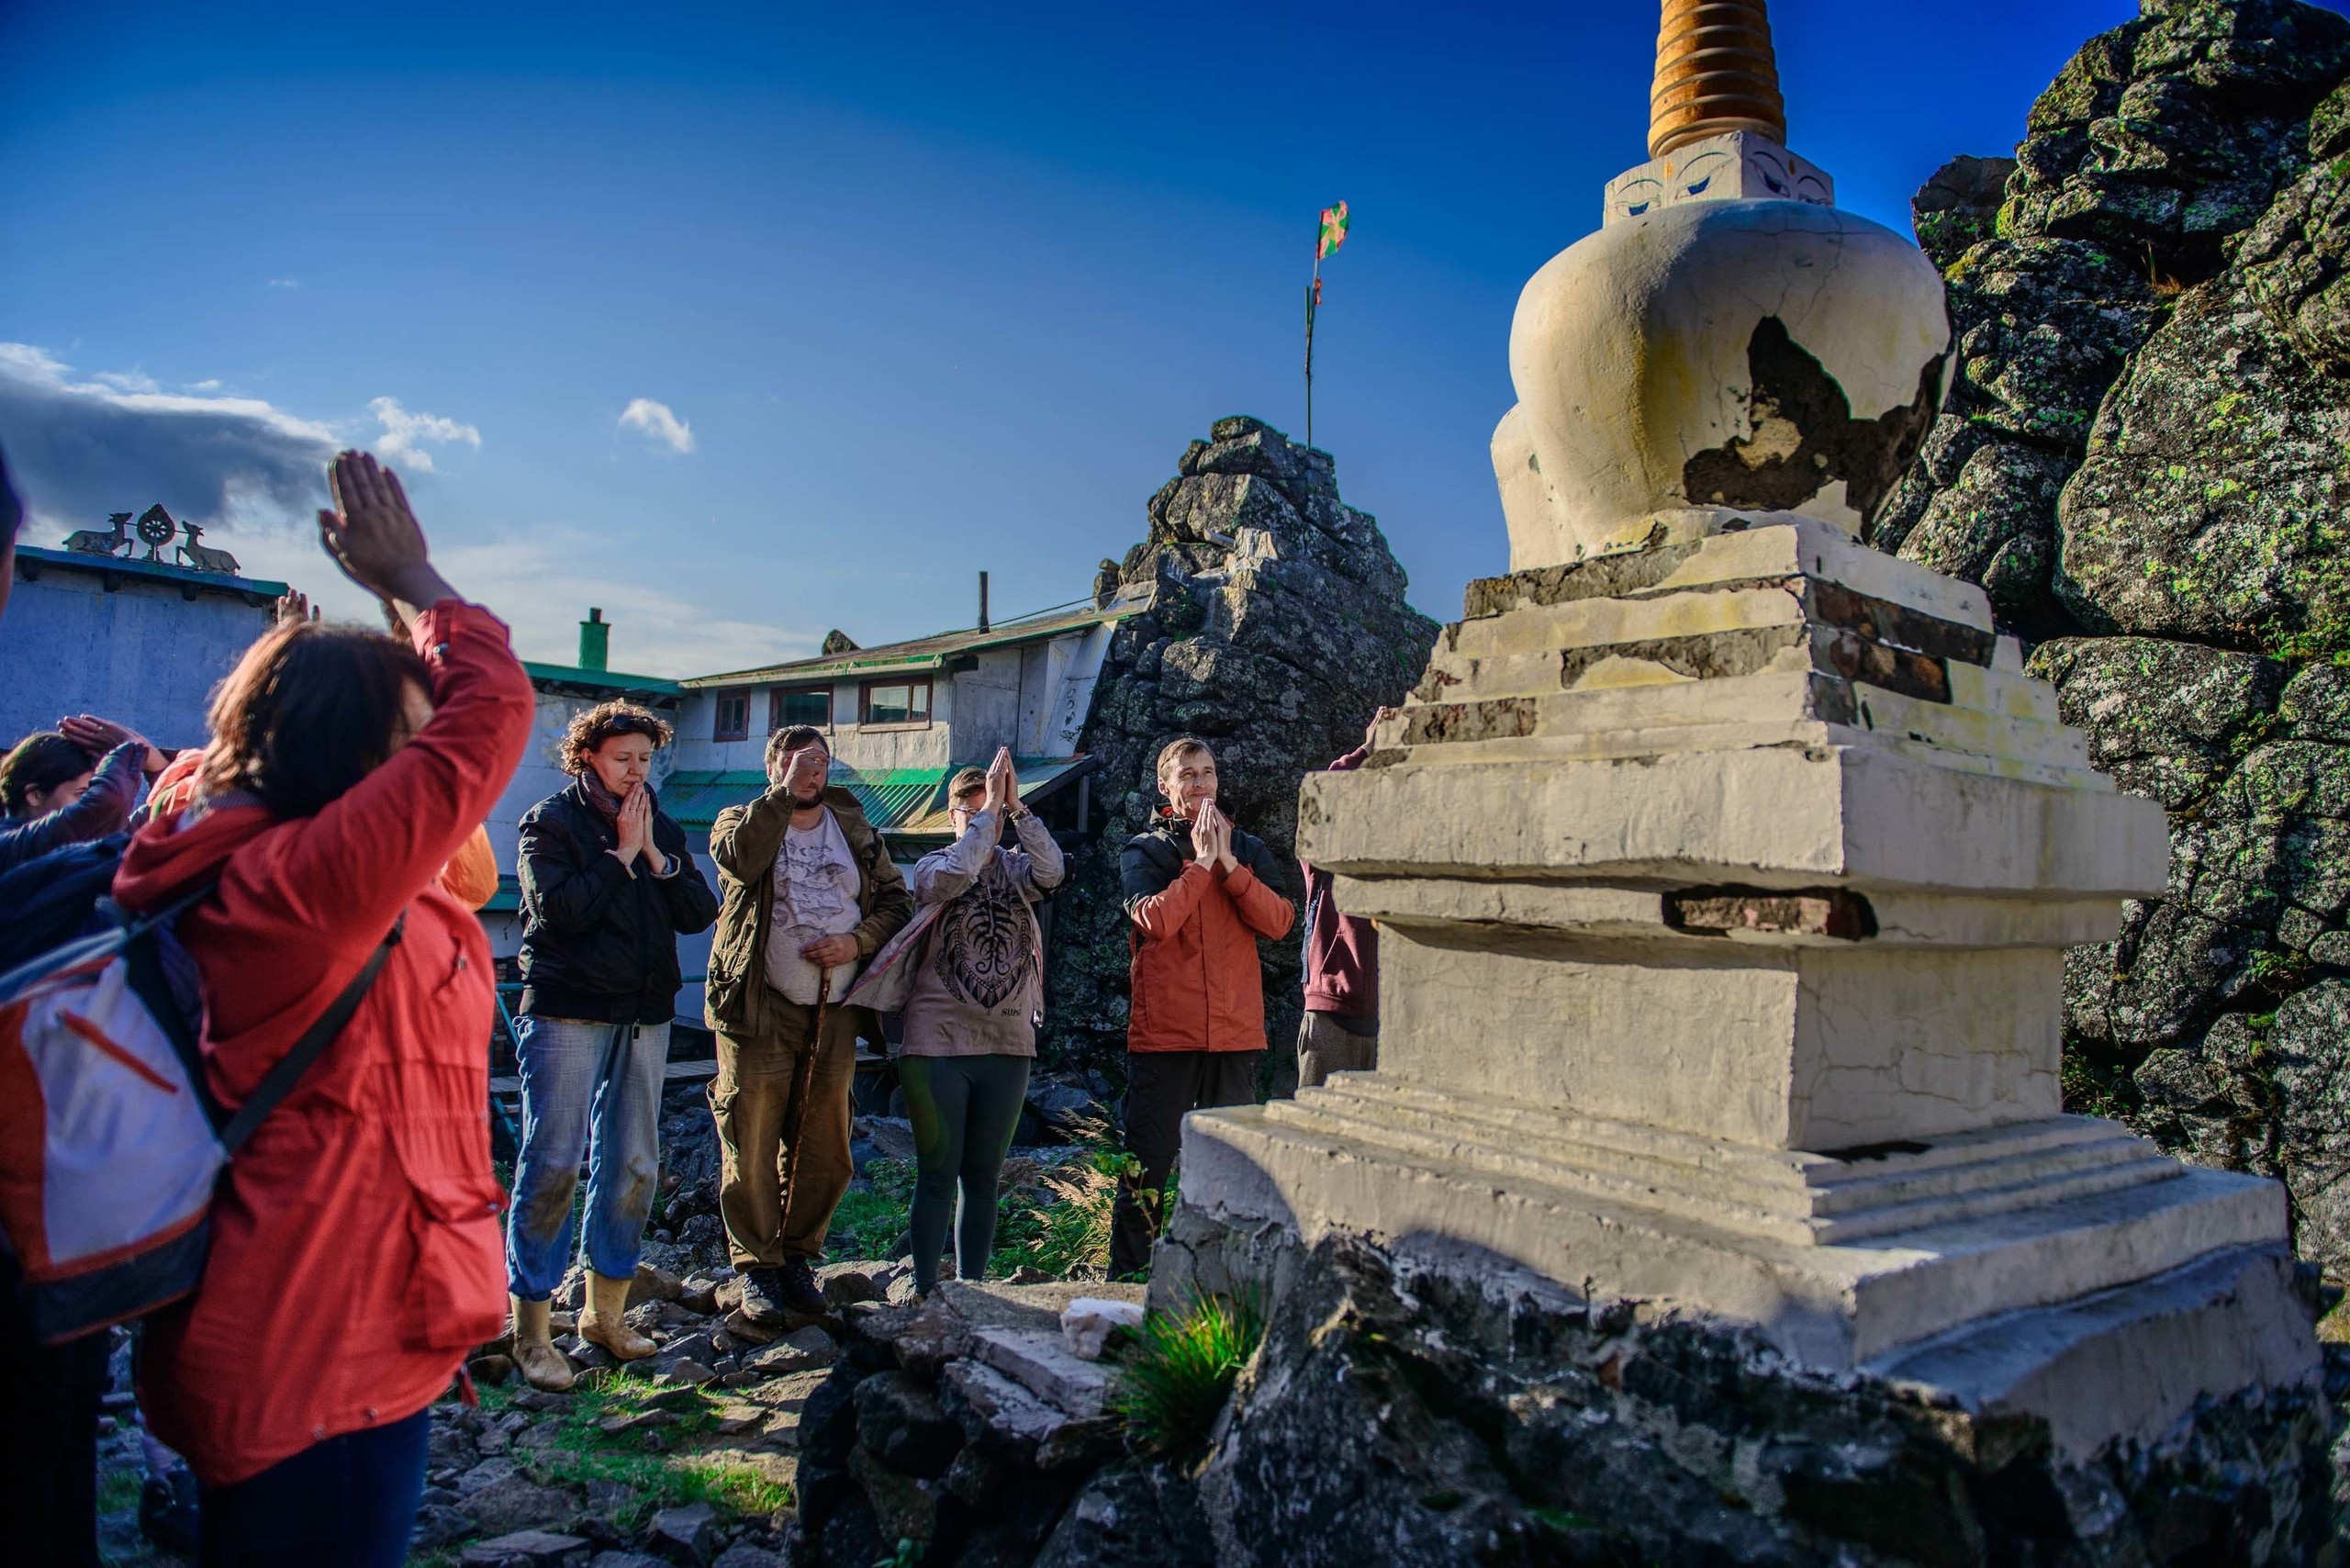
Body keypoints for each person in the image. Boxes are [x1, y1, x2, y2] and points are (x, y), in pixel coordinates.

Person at [109, 450, 533, 1567]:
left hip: (296, 1317)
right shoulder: (307, 889)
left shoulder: (250, 854)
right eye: (405, 733)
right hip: (321, 1352)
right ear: (353, 755)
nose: (424, 756)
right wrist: (419, 581)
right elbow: (492, 712)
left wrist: (383, 626)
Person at [505, 700, 718, 1389]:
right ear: (589, 757)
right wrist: (621, 855)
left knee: (633, 1165)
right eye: (623, 758)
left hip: (643, 1015)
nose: (636, 771)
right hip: (568, 1013)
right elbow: (559, 911)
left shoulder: (660, 822)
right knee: (554, 1163)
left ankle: (605, 1315)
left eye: (645, 759)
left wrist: (654, 852)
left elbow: (699, 911)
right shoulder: (551, 823)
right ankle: (532, 1332)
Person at [705, 725, 912, 1319]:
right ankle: (757, 1268)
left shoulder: (853, 828)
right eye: (796, 761)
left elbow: (897, 901)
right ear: (771, 767)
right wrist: (781, 795)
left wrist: (856, 941)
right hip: (758, 1006)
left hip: (836, 1009)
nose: (810, 770)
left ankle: (797, 1256)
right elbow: (739, 862)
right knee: (752, 1133)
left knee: (826, 1143)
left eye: (820, 760)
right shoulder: (739, 819)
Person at [1110, 735, 1294, 1277]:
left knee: (1230, 1169)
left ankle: (1220, 1281)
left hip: (1235, 1035)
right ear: (1165, 787)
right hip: (1166, 1036)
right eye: (1187, 775)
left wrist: (1231, 867)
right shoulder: (1145, 850)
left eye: (1208, 772)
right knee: (1146, 1169)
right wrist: (1202, 864)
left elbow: (1280, 923)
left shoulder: (1251, 849)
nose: (1200, 783)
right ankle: (1127, 1282)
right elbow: (1156, 921)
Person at [897, 749, 1064, 1296]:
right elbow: (957, 875)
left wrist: (1017, 810)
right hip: (937, 1044)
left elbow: (1054, 870)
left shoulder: (1018, 870)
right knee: (938, 1172)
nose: (984, 822)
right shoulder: (930, 866)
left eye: (989, 812)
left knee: (984, 1177)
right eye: (971, 814)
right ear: (953, 820)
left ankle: (971, 1289)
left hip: (1008, 1043)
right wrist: (988, 813)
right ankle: (924, 1288)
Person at [1296, 711, 1390, 1088]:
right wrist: (1367, 751)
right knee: (1315, 1134)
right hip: (1330, 1014)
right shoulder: (1324, 858)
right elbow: (1323, 797)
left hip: (1395, 1018)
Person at [0, 716, 169, 873]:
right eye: (81, 794)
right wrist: (131, 750)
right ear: (35, 795)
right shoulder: (9, 847)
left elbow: (175, 808)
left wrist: (155, 764)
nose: (90, 799)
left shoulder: (100, 836)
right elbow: (103, 803)